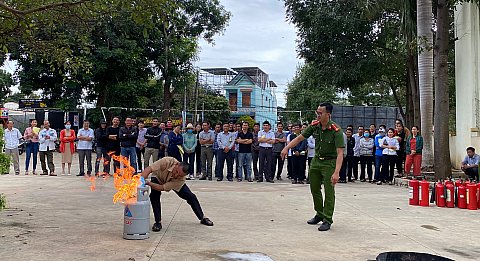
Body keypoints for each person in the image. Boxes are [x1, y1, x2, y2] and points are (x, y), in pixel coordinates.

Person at [281, 103, 344, 231]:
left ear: (328, 114)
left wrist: (336, 172)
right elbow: (299, 138)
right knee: (314, 188)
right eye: (317, 112)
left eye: (320, 113)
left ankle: (327, 219)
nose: (318, 115)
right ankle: (319, 214)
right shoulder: (315, 126)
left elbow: (340, 153)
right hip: (316, 161)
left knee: (329, 192)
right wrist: (287, 147)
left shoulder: (336, 130)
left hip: (329, 163)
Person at [141, 157, 214, 232]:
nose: (176, 175)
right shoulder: (167, 161)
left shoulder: (180, 180)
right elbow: (149, 169)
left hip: (172, 183)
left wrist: (149, 183)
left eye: (180, 175)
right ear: (177, 165)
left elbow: (162, 187)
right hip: (158, 177)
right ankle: (158, 222)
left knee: (191, 197)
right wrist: (141, 181)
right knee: (154, 196)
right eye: (176, 171)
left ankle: (202, 217)